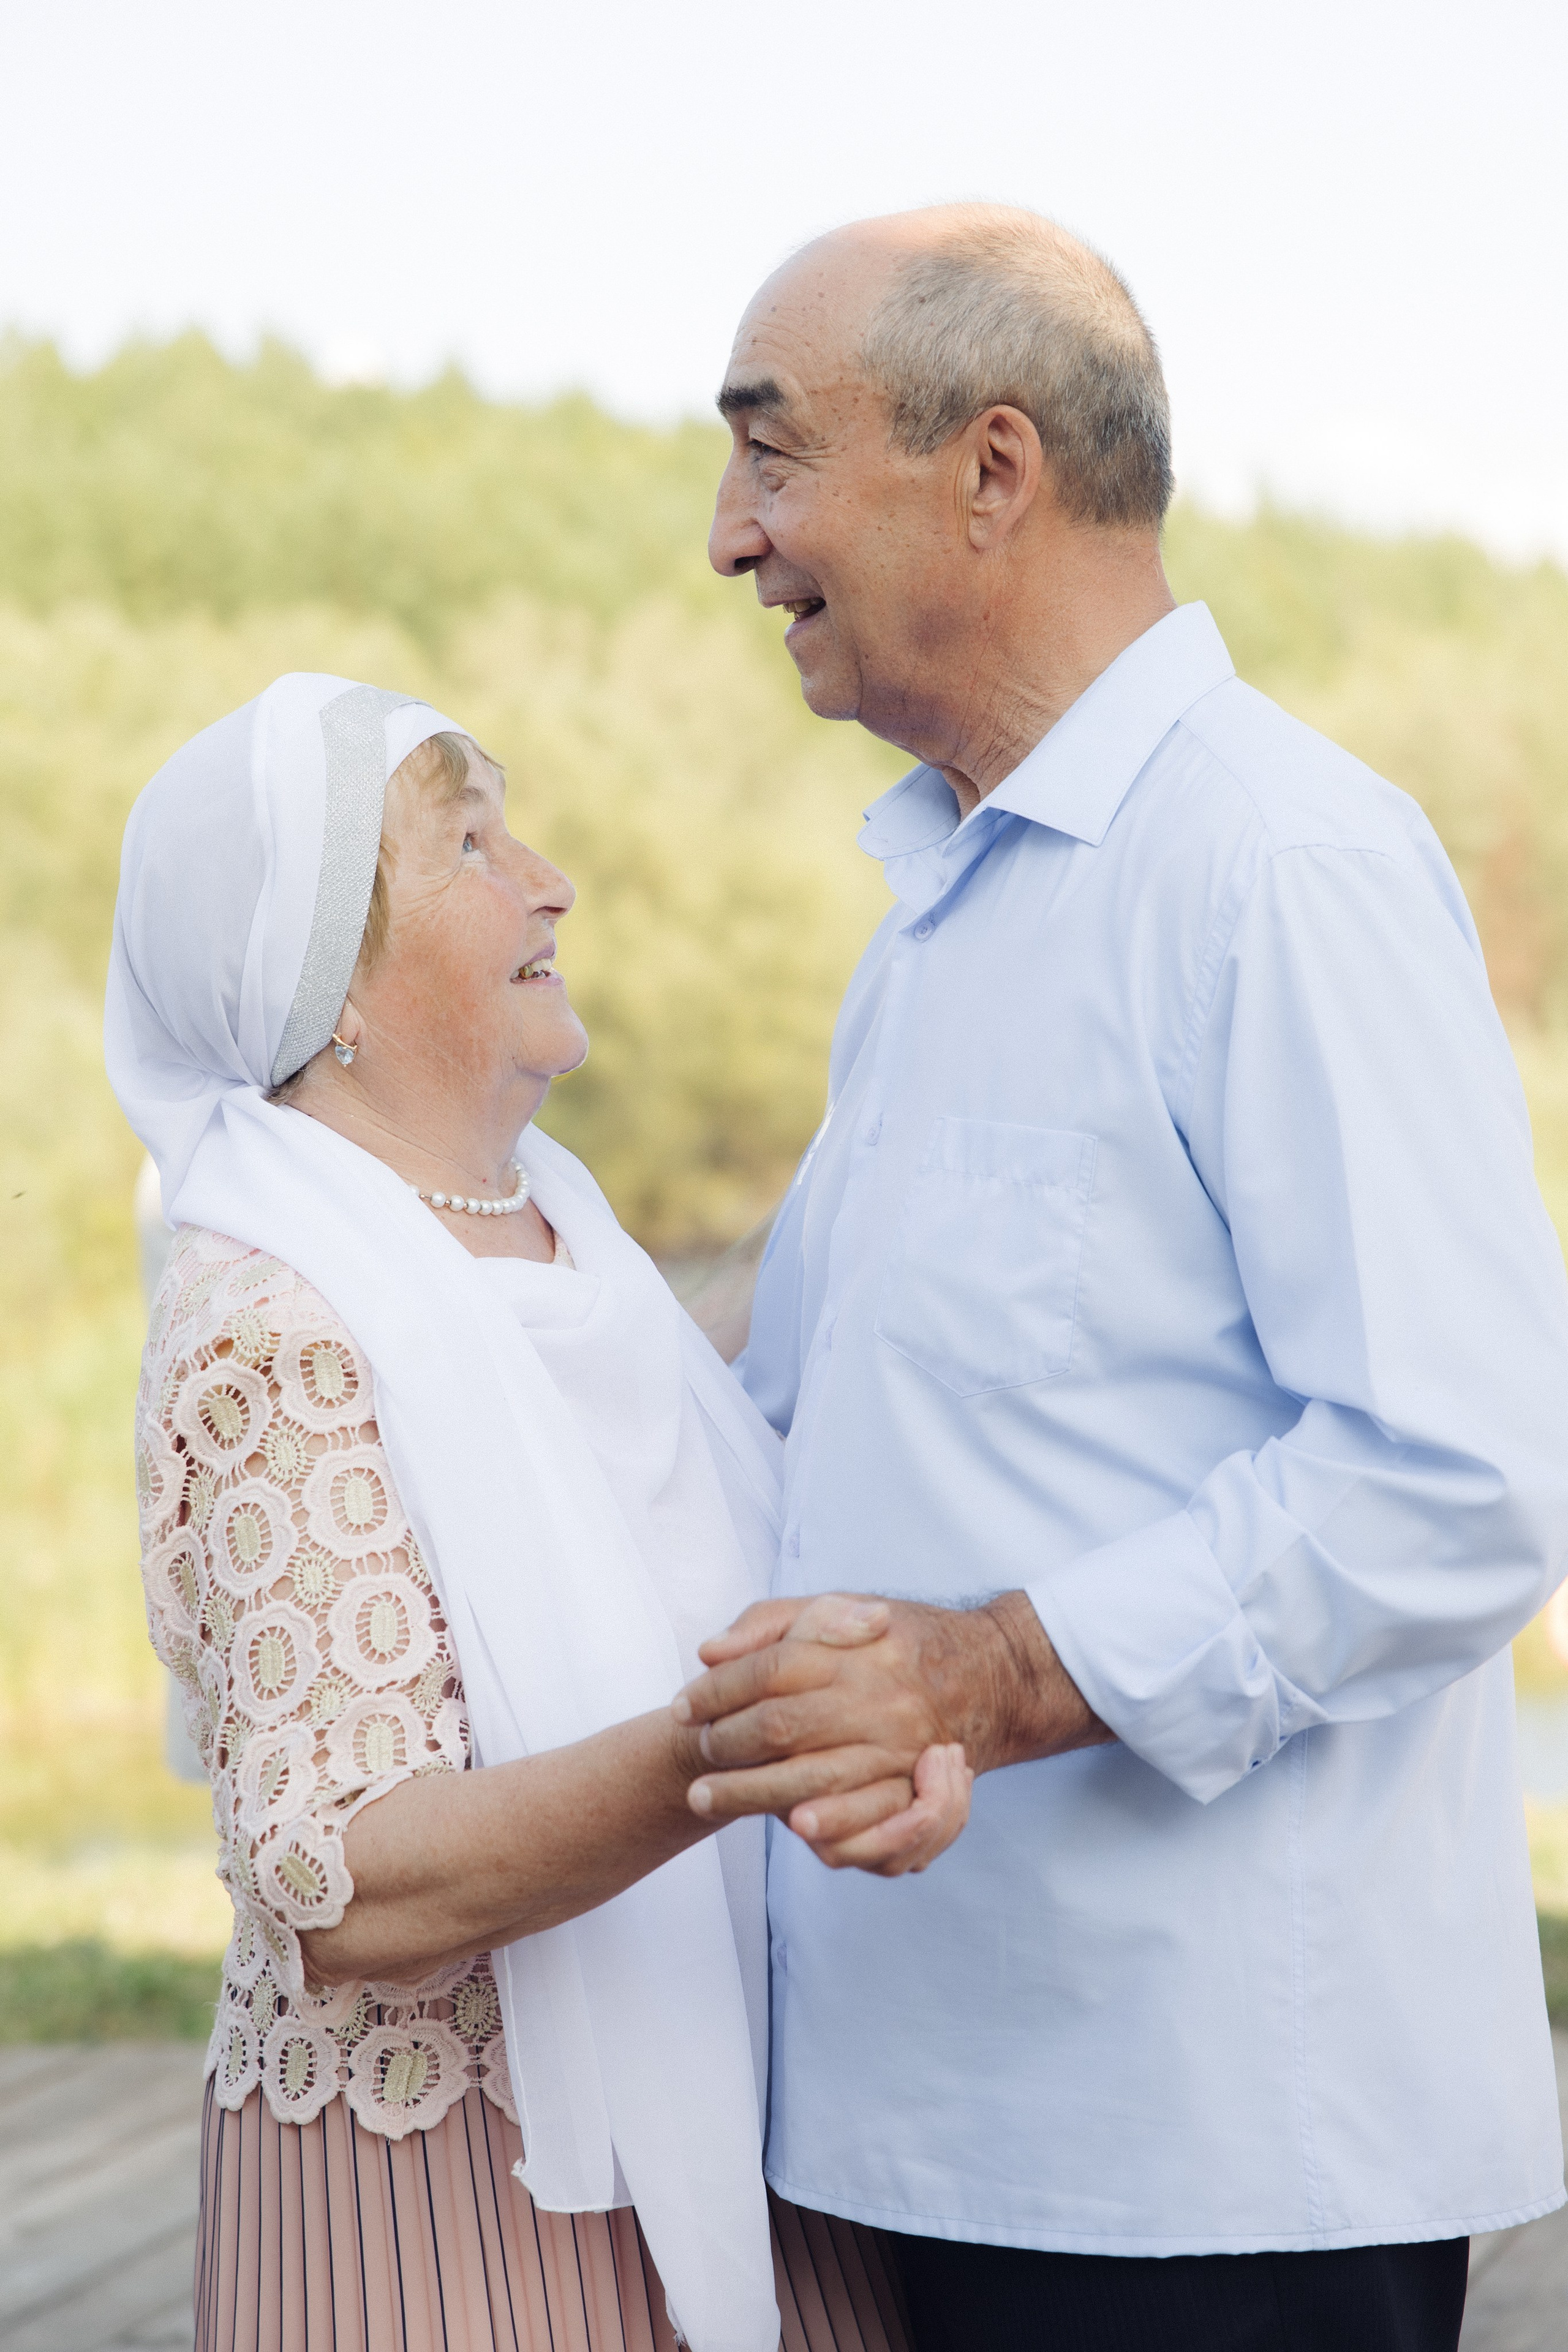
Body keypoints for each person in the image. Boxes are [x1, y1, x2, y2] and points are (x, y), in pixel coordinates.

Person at [678, 205, 1568, 2351]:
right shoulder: (936, 927)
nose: (729, 538)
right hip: (920, 2144)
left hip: (1208, 2174)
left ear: (996, 468)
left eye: (772, 454)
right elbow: (799, 1442)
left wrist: (987, 1676)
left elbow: (1464, 1476)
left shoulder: (1283, 863)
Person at [108, 674, 971, 2352]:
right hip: (450, 2221)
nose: (549, 877)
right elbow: (341, 1878)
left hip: (737, 2127)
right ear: (326, 976)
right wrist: (728, 1752)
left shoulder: (576, 1246)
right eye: (473, 840)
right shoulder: (273, 1323)